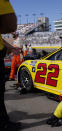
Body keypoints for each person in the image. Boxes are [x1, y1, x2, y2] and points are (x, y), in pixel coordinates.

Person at [0, 0, 21, 130]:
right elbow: (11, 25)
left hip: (16, 55)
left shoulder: (18, 40)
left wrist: (12, 49)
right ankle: (3, 124)